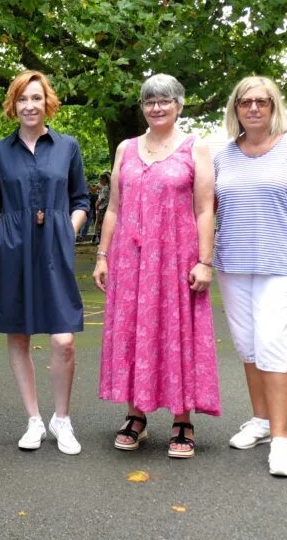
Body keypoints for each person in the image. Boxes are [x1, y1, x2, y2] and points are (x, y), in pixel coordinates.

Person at [93, 74, 219, 459]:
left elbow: (204, 209)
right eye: (149, 101)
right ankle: (136, 415)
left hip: (176, 260)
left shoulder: (195, 148)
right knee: (134, 329)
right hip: (130, 262)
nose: (157, 107)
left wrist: (204, 261)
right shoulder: (126, 149)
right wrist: (102, 255)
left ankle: (183, 418)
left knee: (175, 330)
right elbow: (114, 207)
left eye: (165, 100)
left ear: (179, 105)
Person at [214, 76, 287, 477]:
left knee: (272, 345)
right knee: (248, 346)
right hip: (233, 264)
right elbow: (210, 209)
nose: (253, 108)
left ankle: (281, 440)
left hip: (281, 266)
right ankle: (261, 421)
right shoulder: (223, 156)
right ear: (235, 110)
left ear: (274, 106)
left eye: (261, 101)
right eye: (245, 102)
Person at [0, 70, 89, 455]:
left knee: (63, 340)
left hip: (55, 248)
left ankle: (61, 419)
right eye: (21, 99)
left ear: (48, 102)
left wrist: (68, 229)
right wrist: (1, 231)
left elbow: (81, 199)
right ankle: (33, 419)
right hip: (14, 248)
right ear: (13, 106)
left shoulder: (68, 147)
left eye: (35, 98)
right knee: (19, 333)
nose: (29, 105)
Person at [93, 172, 111, 244]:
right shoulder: (104, 187)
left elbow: (103, 198)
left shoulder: (106, 188)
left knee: (100, 222)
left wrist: (97, 205)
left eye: (100, 179)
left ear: (104, 179)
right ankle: (98, 237)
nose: (99, 181)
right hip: (101, 206)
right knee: (99, 221)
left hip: (103, 207)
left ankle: (99, 237)